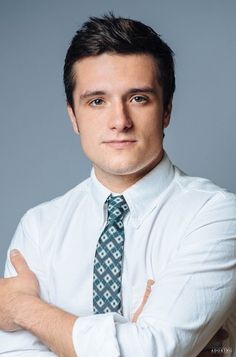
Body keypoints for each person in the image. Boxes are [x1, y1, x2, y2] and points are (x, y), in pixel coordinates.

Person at [0, 13, 235, 357]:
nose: (119, 121)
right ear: (73, 116)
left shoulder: (217, 216)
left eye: (139, 98)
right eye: (97, 101)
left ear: (166, 109)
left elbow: (148, 352)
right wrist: (131, 336)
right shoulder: (39, 229)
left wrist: (23, 309)